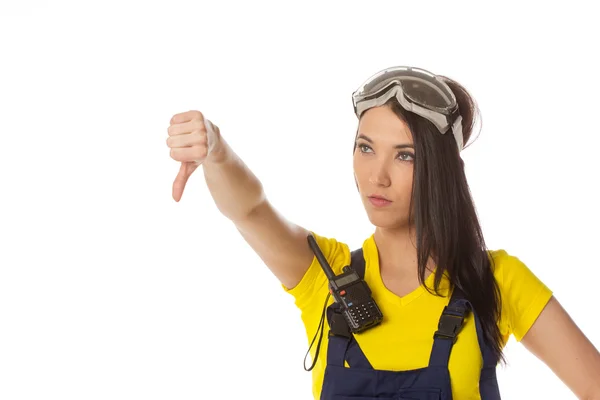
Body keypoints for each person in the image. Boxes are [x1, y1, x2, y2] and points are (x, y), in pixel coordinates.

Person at [165, 66, 600, 399]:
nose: (378, 176)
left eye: (405, 156)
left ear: (441, 171)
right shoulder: (326, 275)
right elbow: (251, 208)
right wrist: (217, 153)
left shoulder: (496, 282)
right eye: (366, 148)